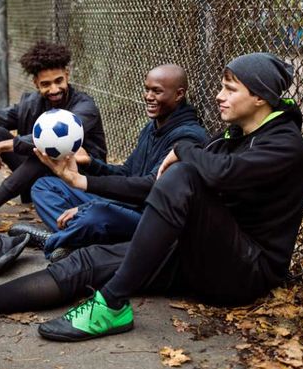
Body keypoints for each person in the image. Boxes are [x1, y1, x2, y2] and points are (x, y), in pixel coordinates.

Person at [0, 52, 303, 343]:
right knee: (89, 260)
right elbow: (148, 184)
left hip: (246, 270)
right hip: (205, 254)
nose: (219, 96)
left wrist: (185, 152)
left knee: (180, 176)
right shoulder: (236, 136)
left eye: (230, 89)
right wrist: (81, 180)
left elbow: (214, 174)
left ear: (259, 96)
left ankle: (111, 305)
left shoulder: (284, 144)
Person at [12, 64, 207, 260]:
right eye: (147, 89)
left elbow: (150, 187)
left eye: (157, 91)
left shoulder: (187, 137)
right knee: (44, 186)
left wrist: (86, 196)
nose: (148, 96)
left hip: (152, 217)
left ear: (179, 94)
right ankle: (75, 238)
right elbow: (126, 173)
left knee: (96, 214)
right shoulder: (153, 127)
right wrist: (90, 163)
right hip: (129, 204)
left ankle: (54, 240)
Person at [0, 41, 107, 219]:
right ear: (36, 83)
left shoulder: (85, 107)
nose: (54, 89)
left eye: (59, 81)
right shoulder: (30, 104)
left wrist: (0, 147)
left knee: (47, 150)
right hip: (39, 178)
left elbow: (51, 143)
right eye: (46, 84)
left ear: (67, 75)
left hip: (79, 183)